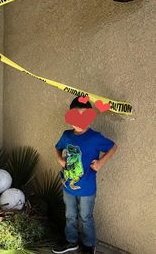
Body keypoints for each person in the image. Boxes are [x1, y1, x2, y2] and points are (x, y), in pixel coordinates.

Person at [52, 97, 117, 254]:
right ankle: (71, 241)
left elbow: (113, 146)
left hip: (87, 188)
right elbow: (57, 147)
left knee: (85, 217)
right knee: (70, 216)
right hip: (68, 186)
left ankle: (89, 246)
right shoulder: (67, 136)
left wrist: (100, 163)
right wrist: (60, 159)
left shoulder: (94, 137)